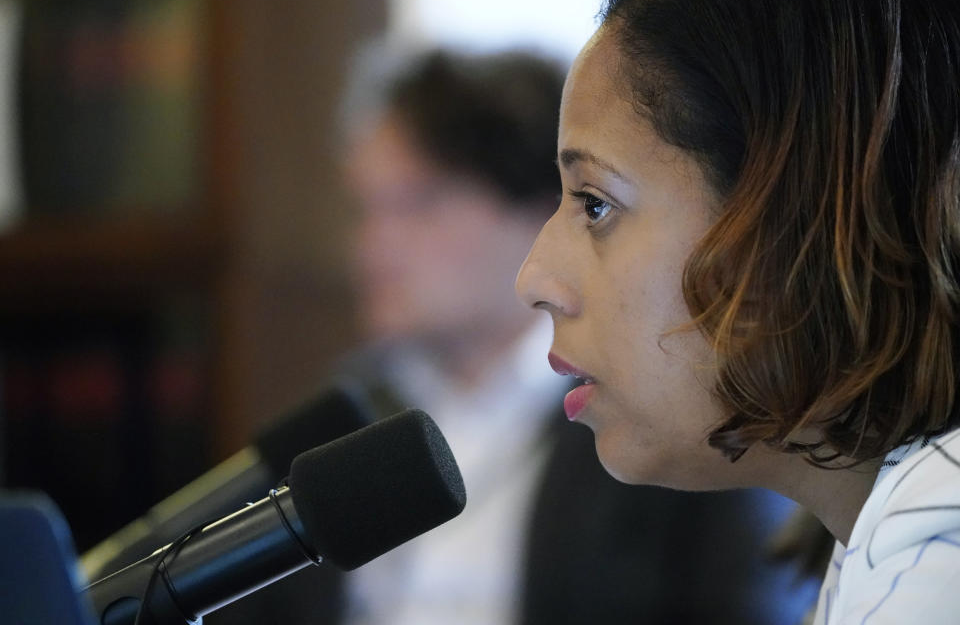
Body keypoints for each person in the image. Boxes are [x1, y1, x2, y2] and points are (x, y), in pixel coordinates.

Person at [209, 47, 815, 625]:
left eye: (418, 203)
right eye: (367, 209)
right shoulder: (339, 416)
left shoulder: (656, 414)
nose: (374, 247)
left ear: (537, 209)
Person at [515, 0, 960, 624]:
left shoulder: (941, 558)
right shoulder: (891, 539)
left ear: (793, 221)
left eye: (595, 203)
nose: (533, 280)